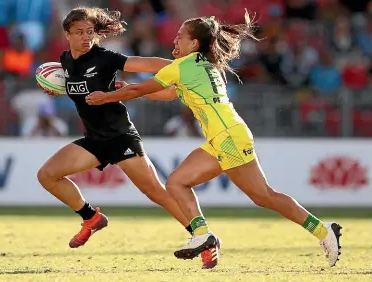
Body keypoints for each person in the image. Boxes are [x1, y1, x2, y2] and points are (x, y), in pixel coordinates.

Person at [86, 11, 342, 269]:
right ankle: (203, 234)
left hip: (227, 137)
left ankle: (323, 231)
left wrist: (106, 96)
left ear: (194, 44)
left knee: (264, 196)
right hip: (224, 135)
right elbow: (166, 94)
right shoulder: (202, 66)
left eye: (180, 37)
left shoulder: (182, 67)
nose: (174, 41)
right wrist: (124, 89)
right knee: (177, 182)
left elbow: (143, 89)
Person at [35, 6, 196, 260]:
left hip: (120, 136)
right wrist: (60, 89)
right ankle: (91, 218)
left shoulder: (105, 57)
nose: (86, 37)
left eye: (89, 31)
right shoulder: (65, 61)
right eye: (79, 32)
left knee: (155, 191)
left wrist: (184, 66)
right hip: (95, 140)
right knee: (47, 175)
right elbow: (81, 89)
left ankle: (201, 235)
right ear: (67, 34)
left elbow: (148, 63)